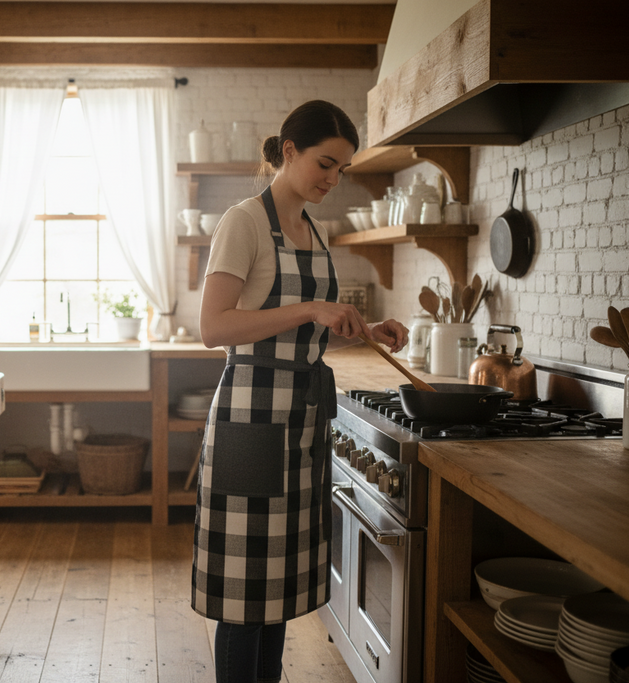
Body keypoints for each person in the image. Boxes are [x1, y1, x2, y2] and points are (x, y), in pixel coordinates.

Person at [191, 100, 409, 683]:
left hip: (302, 419)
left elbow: (300, 340)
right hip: (251, 420)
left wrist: (364, 334)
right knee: (245, 595)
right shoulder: (243, 222)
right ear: (289, 151)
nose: (333, 180)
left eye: (341, 170)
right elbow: (214, 328)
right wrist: (313, 306)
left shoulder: (313, 230)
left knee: (278, 590)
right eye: (325, 163)